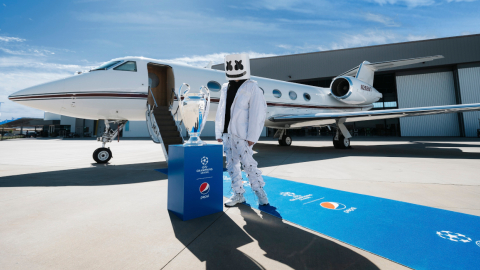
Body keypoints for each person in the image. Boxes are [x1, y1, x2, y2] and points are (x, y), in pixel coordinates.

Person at [215, 53, 268, 207]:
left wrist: (252, 135)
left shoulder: (252, 86)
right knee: (232, 165)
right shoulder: (226, 87)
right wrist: (219, 131)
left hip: (242, 134)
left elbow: (257, 112)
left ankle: (260, 193)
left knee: (249, 164)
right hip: (227, 134)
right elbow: (221, 110)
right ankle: (238, 194)